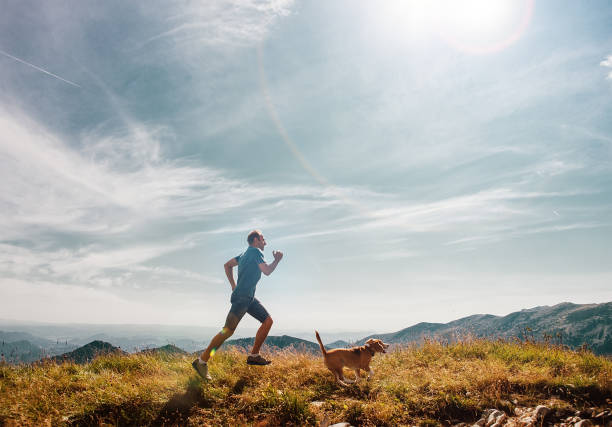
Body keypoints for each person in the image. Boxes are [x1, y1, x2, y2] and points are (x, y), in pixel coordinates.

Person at [192, 230, 283, 380]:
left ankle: (254, 355)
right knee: (227, 331)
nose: (265, 242)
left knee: (268, 321)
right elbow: (266, 271)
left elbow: (227, 265)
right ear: (256, 240)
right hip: (242, 298)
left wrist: (234, 285)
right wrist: (277, 259)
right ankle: (201, 362)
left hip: (248, 298)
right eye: (263, 239)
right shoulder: (255, 252)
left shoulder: (244, 254)